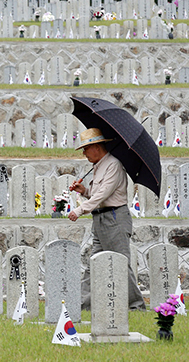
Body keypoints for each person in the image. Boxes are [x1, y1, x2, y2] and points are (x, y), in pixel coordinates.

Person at [68, 128, 145, 311]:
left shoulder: (114, 165)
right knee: (93, 263)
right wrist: (84, 191)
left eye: (86, 149)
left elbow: (103, 194)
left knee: (120, 263)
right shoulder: (99, 166)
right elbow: (97, 194)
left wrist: (80, 210)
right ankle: (82, 306)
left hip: (115, 219)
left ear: (96, 147)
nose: (85, 154)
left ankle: (136, 306)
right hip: (100, 220)